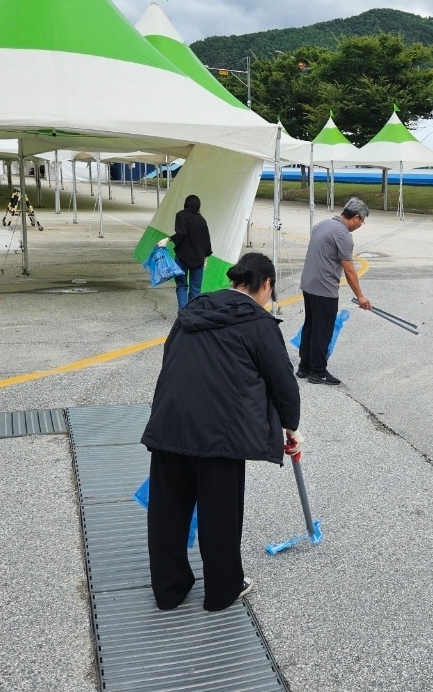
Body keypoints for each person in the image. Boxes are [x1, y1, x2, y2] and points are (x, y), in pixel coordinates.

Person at [141, 252, 301, 612]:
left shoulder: (193, 309)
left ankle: (168, 590)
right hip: (220, 434)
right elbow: (283, 383)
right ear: (266, 284)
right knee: (219, 514)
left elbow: (170, 358)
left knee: (168, 511)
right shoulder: (259, 323)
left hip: (171, 422)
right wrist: (290, 427)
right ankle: (221, 590)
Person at [297, 197, 371, 386]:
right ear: (356, 217)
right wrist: (360, 296)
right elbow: (349, 271)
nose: (360, 225)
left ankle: (304, 367)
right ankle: (318, 372)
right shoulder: (343, 234)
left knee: (310, 326)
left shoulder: (322, 225)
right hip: (324, 289)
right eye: (361, 221)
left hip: (308, 285)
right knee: (322, 331)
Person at [160, 194, 212, 308]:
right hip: (198, 259)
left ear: (186, 204)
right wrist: (206, 257)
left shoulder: (181, 215)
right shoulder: (202, 220)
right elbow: (207, 240)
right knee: (195, 289)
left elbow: (181, 233)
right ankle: (191, 314)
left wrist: (167, 239)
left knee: (182, 286)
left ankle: (183, 313)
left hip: (182, 258)